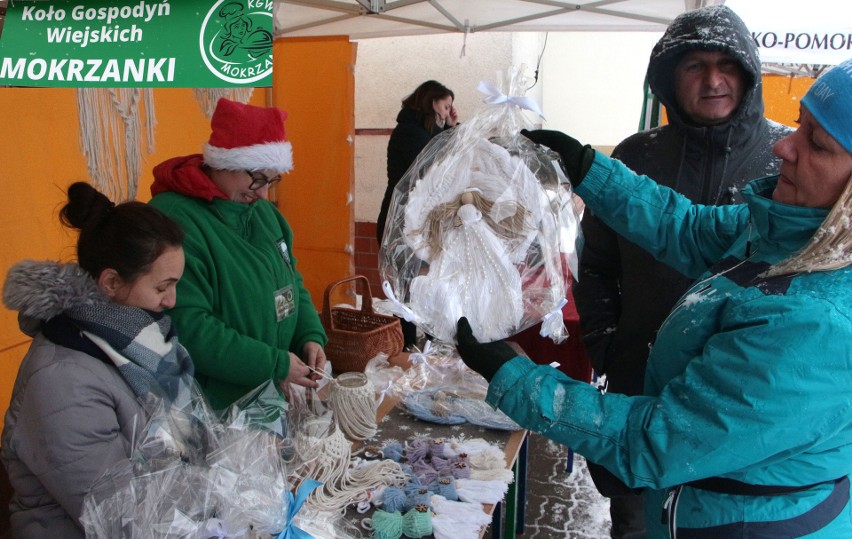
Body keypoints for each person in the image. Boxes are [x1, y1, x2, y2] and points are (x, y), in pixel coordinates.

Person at [457, 57, 852, 538]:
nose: (783, 146)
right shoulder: (789, 231)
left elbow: (658, 440)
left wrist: (514, 377)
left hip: (746, 525)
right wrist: (589, 170)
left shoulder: (818, 324)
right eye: (798, 125)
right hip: (693, 506)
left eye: (817, 144)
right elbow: (686, 228)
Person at [573, 6, 794, 535]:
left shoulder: (787, 161)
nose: (713, 80)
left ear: (749, 73)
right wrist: (608, 342)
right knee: (635, 522)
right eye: (695, 65)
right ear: (670, 78)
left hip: (745, 408)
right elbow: (595, 264)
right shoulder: (635, 158)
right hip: (640, 389)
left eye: (726, 64)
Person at [1, 182, 190, 537]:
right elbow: (115, 515)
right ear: (111, 283)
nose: (171, 301)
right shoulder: (62, 380)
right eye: (162, 287)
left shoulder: (142, 342)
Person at [149, 98, 327, 410]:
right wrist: (273, 363)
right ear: (223, 162)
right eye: (256, 178)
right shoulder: (176, 220)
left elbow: (291, 281)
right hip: (212, 403)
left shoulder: (263, 214)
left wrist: (309, 335)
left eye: (272, 180)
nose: (263, 192)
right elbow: (188, 325)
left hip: (268, 389)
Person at [376, 80, 458, 348]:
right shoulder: (409, 133)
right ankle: (409, 346)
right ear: (431, 102)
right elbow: (434, 167)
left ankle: (423, 342)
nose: (448, 112)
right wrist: (449, 132)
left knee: (422, 283)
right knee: (407, 286)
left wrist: (449, 128)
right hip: (400, 221)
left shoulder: (419, 131)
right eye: (445, 106)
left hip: (410, 219)